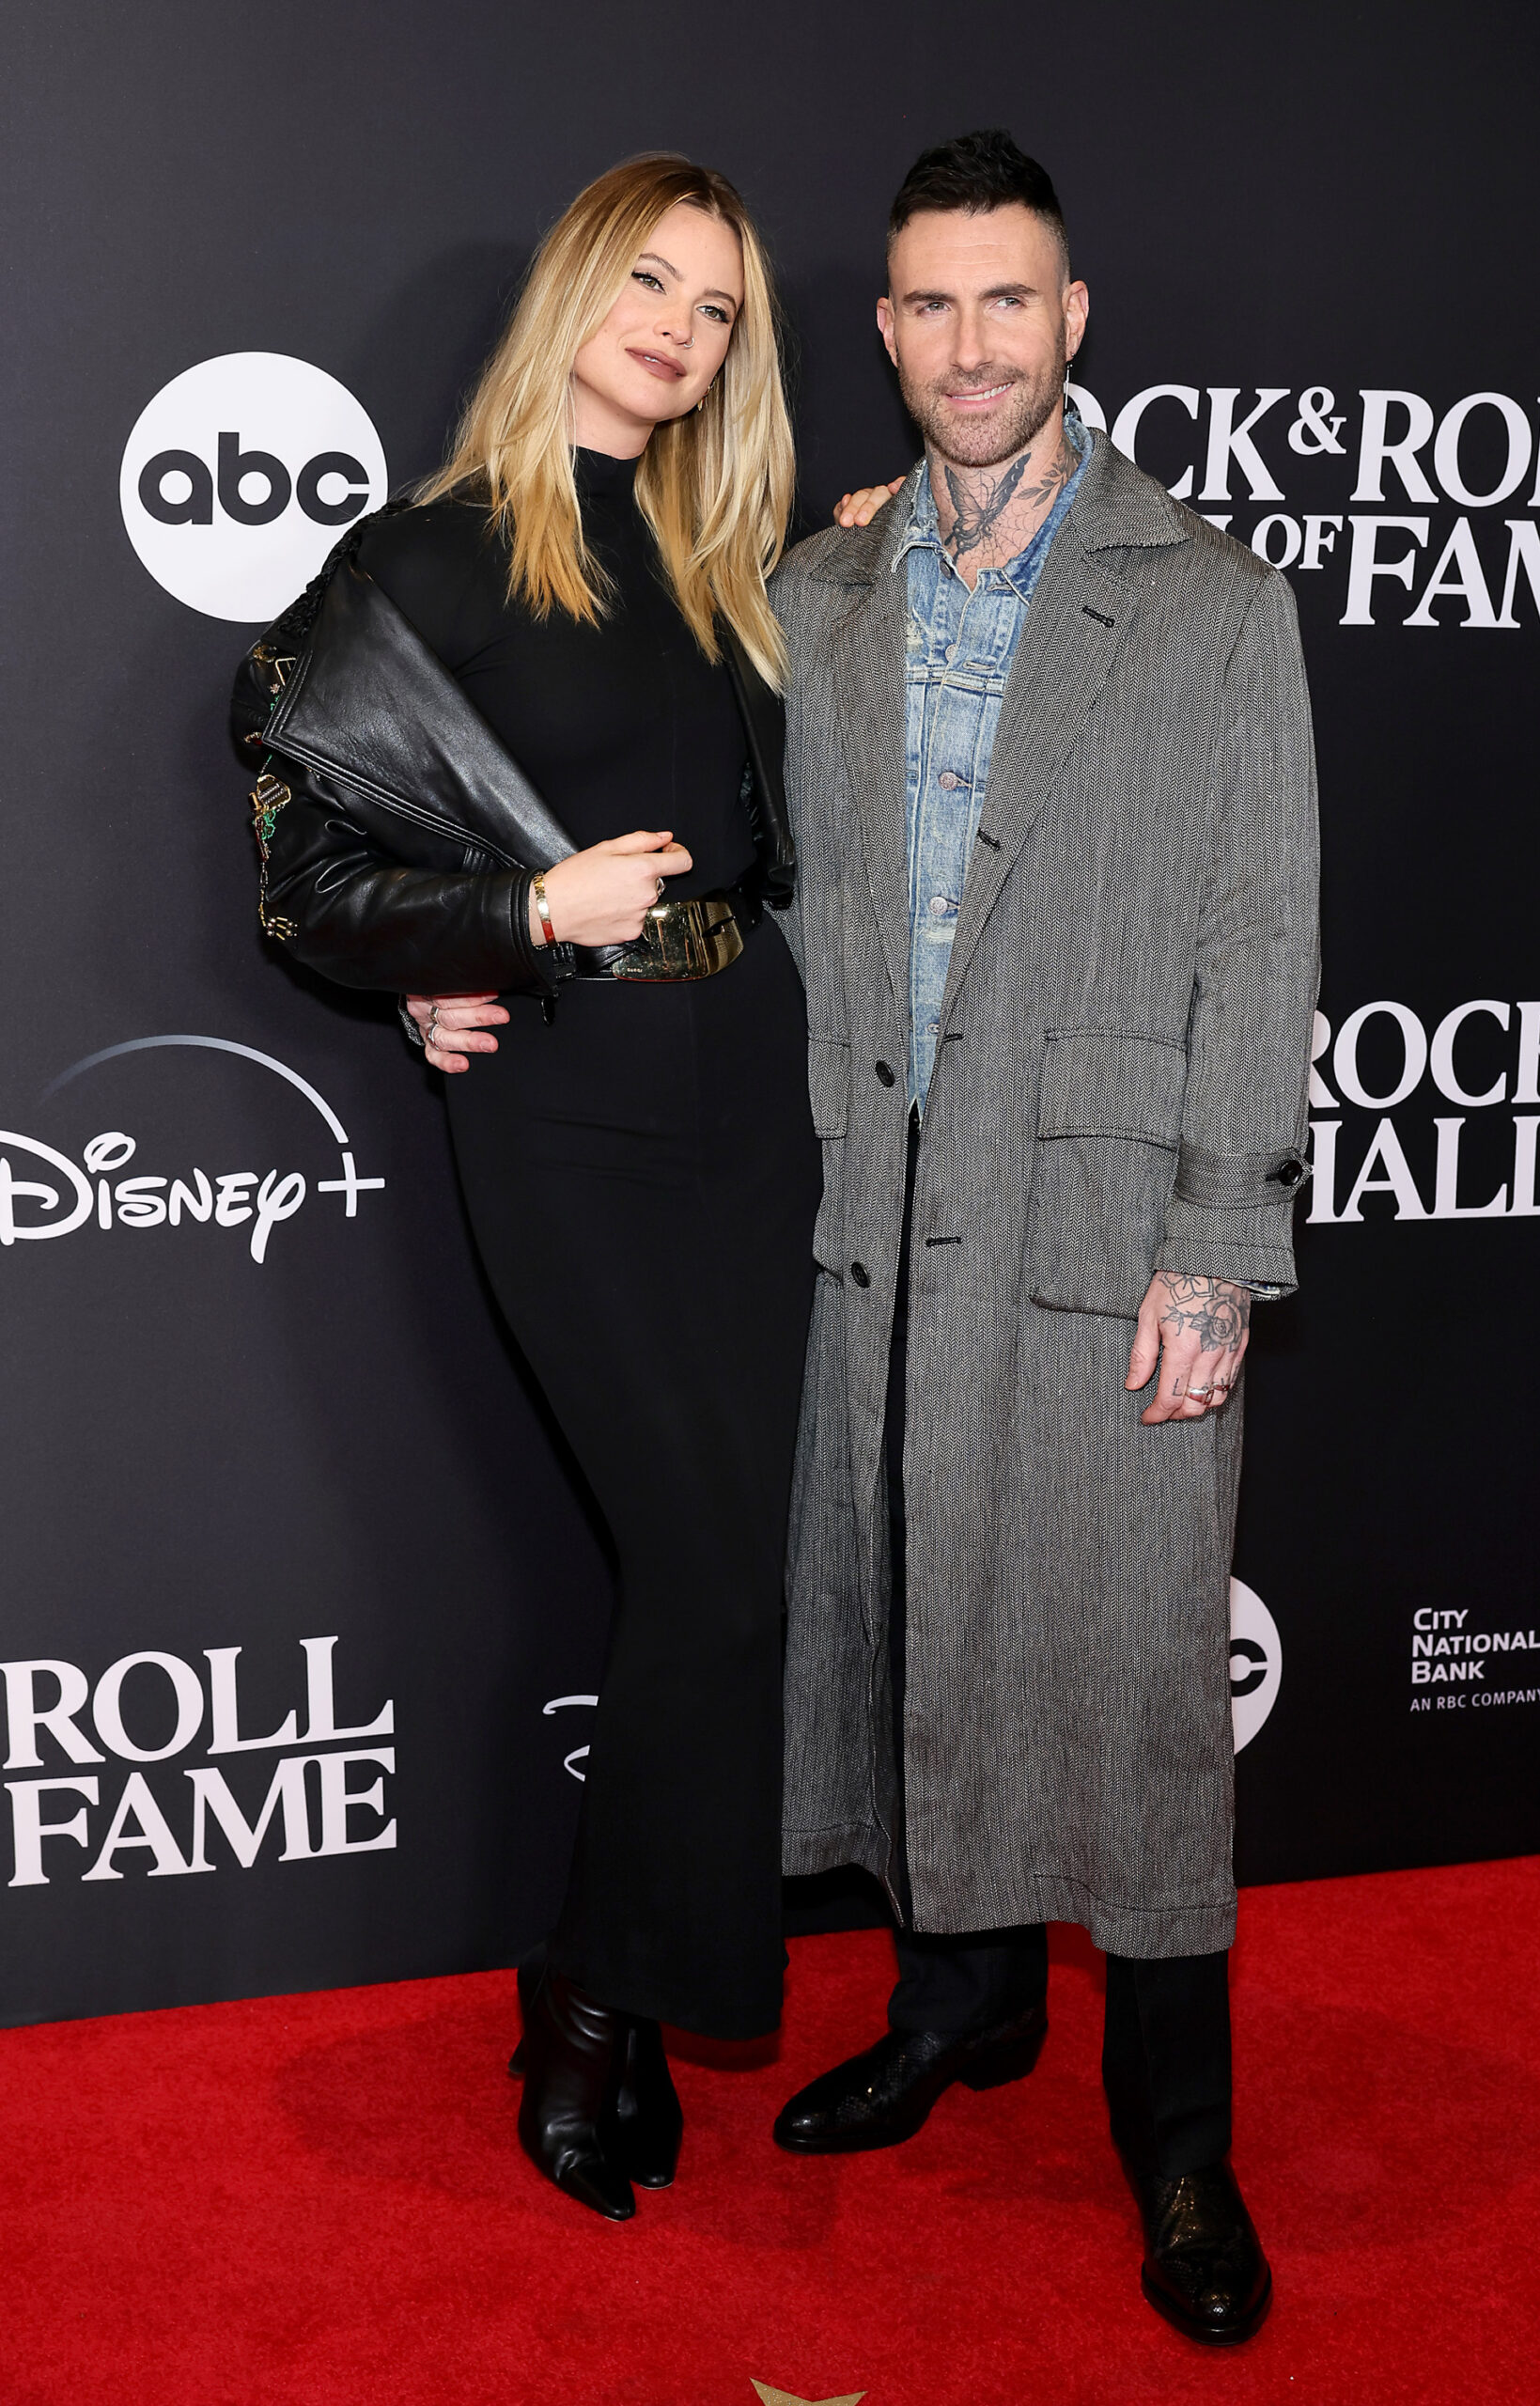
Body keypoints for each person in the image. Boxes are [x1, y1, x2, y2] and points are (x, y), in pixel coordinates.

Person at [763, 130, 1319, 2345]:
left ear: (1071, 320)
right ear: (883, 331)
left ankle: (1175, 2132)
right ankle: (956, 2007)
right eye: (928, 304)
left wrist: (1221, 1234)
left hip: (1107, 1216)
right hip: (869, 1212)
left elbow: (1256, 927)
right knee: (912, 1617)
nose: (970, 343)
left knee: (1128, 1682)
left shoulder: (1207, 594)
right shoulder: (820, 592)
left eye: (1010, 300)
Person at [234, 154, 820, 2224]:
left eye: (720, 308)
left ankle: (609, 1979)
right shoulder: (428, 557)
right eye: (649, 279)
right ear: (576, 282)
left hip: (757, 1089)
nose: (679, 323)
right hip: (564, 1105)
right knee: (711, 1571)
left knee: (730, 1577)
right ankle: (589, 1997)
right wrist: (496, 926)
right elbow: (309, 864)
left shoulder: (730, 558)